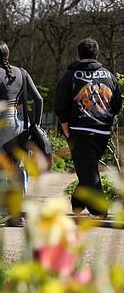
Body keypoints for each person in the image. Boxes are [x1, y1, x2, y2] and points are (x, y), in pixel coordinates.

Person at [54, 38, 122, 218]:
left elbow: (60, 103)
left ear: (78, 55)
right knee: (88, 169)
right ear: (96, 55)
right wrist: (106, 119)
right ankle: (77, 202)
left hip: (79, 131)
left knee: (89, 172)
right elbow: (117, 103)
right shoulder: (109, 76)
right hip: (102, 131)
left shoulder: (70, 76)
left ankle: (99, 210)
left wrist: (65, 127)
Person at [0, 40, 43, 201]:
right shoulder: (22, 72)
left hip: (3, 123)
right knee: (18, 165)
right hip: (22, 124)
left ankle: (0, 205)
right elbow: (39, 99)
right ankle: (18, 211)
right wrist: (36, 126)